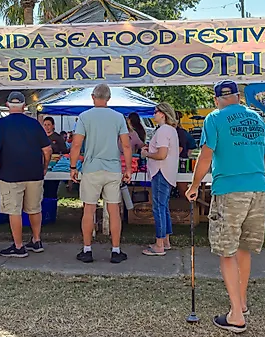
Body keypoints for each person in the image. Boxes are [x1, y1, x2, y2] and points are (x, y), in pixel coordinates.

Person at [186, 81, 265, 334]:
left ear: (216, 100)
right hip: (258, 187)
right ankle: (242, 303)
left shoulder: (214, 118)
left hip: (229, 189)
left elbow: (206, 155)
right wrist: (257, 179)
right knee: (244, 248)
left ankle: (236, 315)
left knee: (227, 251)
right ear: (238, 96)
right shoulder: (257, 118)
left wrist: (194, 186)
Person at [70, 83, 132, 264]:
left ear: (92, 97)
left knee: (89, 209)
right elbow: (126, 145)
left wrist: (73, 167)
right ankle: (115, 250)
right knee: (114, 211)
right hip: (113, 169)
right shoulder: (118, 117)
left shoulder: (84, 117)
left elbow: (76, 144)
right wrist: (128, 169)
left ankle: (87, 249)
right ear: (109, 98)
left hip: (91, 169)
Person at [0, 92, 53, 258]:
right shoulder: (34, 124)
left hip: (10, 174)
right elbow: (47, 149)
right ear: (24, 106)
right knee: (34, 208)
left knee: (14, 210)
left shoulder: (2, 124)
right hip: (34, 173)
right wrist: (44, 167)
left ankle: (18, 247)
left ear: (8, 105)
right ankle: (36, 240)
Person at [141, 102, 178, 256]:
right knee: (164, 206)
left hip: (160, 171)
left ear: (162, 114)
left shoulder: (163, 131)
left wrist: (147, 154)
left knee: (158, 208)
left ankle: (159, 244)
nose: (153, 114)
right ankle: (166, 240)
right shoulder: (171, 130)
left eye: (155, 112)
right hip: (168, 172)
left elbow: (161, 154)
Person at [42, 116, 68, 199]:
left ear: (53, 126)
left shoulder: (58, 138)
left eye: (49, 124)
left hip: (54, 165)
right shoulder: (40, 137)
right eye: (45, 124)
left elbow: (64, 151)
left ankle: (51, 202)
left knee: (51, 188)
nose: (47, 127)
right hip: (42, 164)